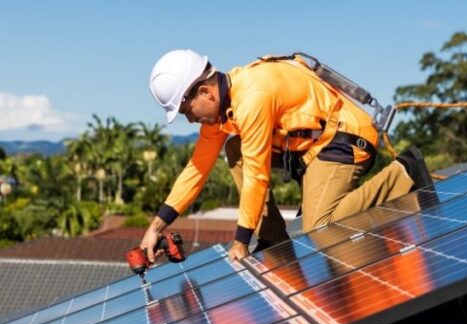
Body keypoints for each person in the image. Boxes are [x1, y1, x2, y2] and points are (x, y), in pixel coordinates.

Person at [140, 49, 433, 262]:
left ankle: (404, 172)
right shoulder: (222, 111)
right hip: (309, 151)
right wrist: (156, 227)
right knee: (234, 148)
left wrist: (241, 240)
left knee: (321, 227)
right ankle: (273, 239)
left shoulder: (253, 97)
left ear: (205, 92)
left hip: (343, 139)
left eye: (186, 110)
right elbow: (197, 168)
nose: (189, 120)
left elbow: (257, 173)